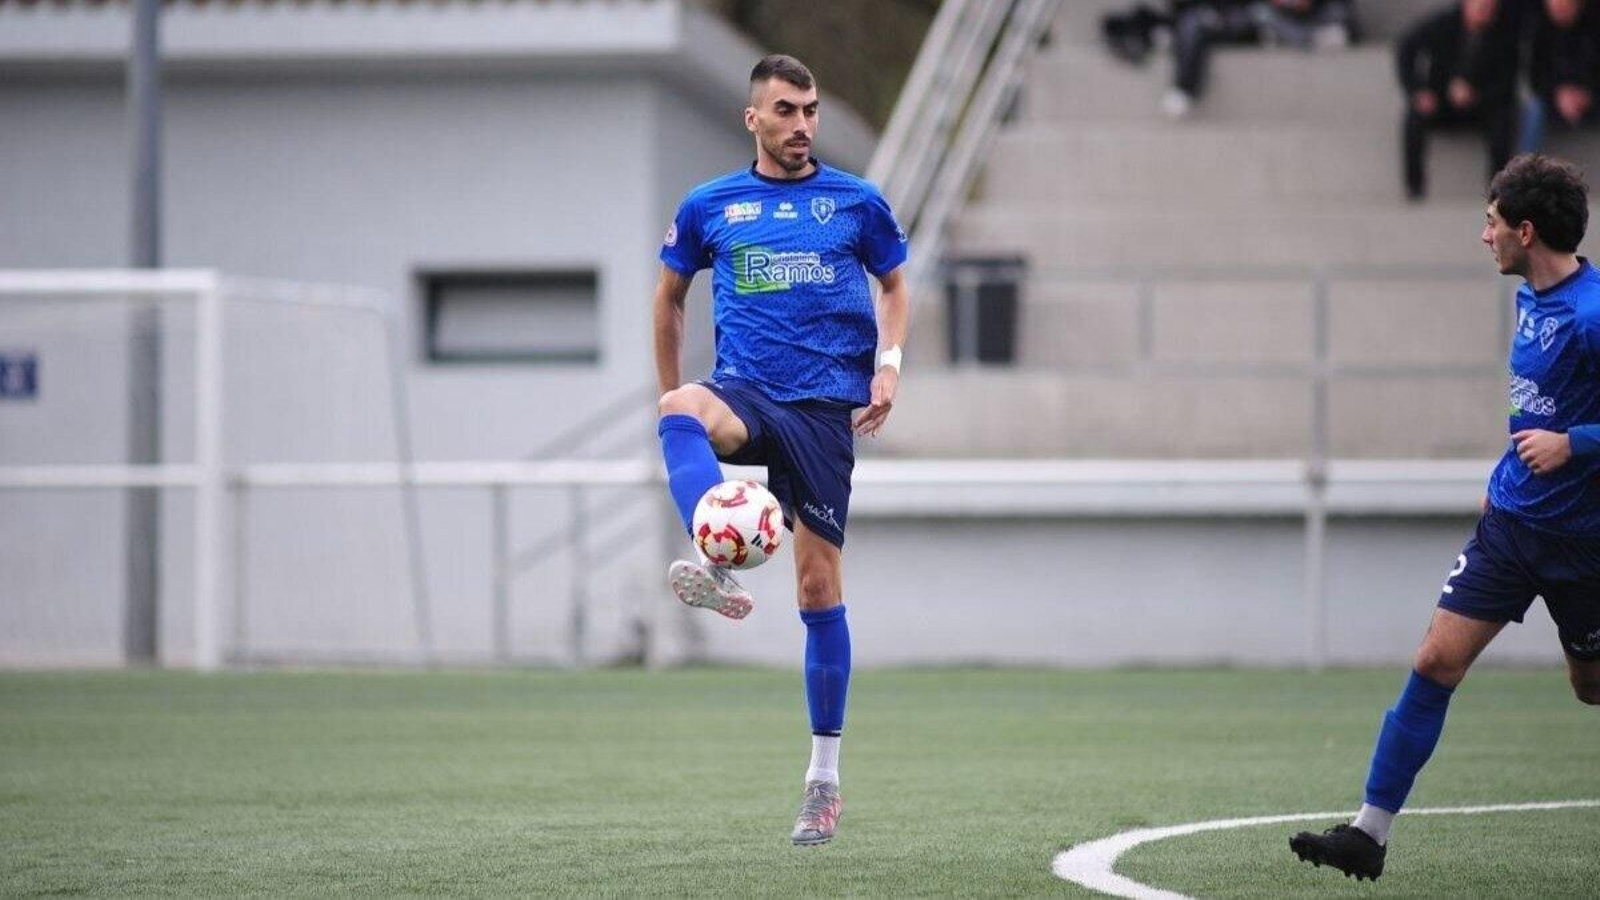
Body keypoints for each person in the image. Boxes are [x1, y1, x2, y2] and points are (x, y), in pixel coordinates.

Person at [1289, 153, 1600, 881]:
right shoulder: (1530, 296)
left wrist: (1575, 445)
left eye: (1491, 223)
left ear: (1526, 230)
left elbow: (1567, 428)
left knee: (1591, 688)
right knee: (1435, 660)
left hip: (1585, 547)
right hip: (1511, 531)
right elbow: (1540, 402)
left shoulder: (1592, 314)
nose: (1482, 236)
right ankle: (1368, 834)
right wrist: (1508, 472)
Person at [652, 54, 910, 846]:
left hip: (825, 410)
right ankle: (714, 547)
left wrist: (889, 368)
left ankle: (822, 783)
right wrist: (670, 391)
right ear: (753, 118)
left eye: (811, 110)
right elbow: (669, 299)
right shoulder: (710, 207)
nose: (802, 125)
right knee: (681, 410)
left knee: (816, 592)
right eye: (787, 111)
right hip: (749, 391)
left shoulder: (856, 203)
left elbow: (896, 285)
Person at [1396, 0, 1523, 200]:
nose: (1485, 13)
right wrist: (1417, 90)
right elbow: (1406, 46)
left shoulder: (1505, 32)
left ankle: (1498, 188)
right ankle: (1414, 186)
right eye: (1480, 7)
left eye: (1490, 8)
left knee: (1504, 117)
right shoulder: (1443, 24)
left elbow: (1508, 80)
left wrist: (1477, 94)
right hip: (1442, 100)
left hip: (1483, 102)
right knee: (1414, 115)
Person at [1163, 0, 1358, 117]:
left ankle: (1306, 35)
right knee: (1256, 14)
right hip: (1256, 18)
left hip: (1301, 17)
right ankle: (1184, 87)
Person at [1520, 0, 1599, 153]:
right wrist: (1558, 94)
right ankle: (1526, 167)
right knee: (1533, 109)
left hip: (1590, 96)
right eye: (1554, 8)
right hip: (1554, 97)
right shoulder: (1539, 31)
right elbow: (1535, 77)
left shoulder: (1593, 30)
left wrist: (1587, 95)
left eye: (1564, 8)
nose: (1558, 13)